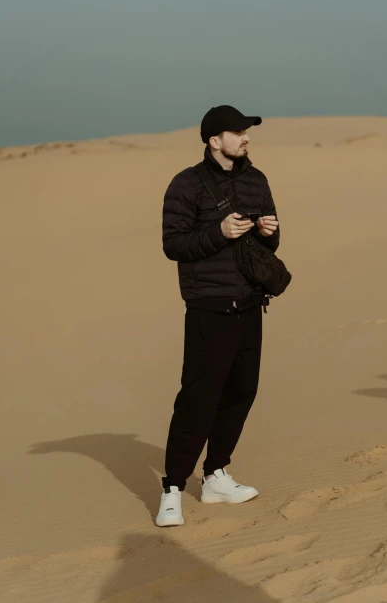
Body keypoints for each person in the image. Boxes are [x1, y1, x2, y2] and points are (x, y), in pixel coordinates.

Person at [156, 105, 280, 527]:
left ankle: (215, 476)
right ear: (214, 141)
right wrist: (218, 233)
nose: (246, 137)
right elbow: (173, 244)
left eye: (247, 131)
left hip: (250, 303)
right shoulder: (186, 184)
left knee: (242, 392)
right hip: (209, 306)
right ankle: (172, 487)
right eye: (238, 131)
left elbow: (272, 245)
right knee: (198, 398)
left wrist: (269, 232)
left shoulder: (256, 179)